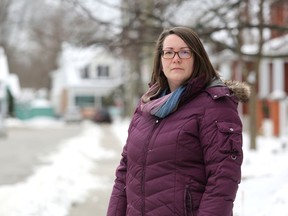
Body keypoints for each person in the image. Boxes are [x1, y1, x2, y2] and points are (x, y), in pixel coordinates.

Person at [107, 26, 250, 216]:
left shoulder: (215, 106)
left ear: (197, 58)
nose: (176, 58)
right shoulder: (146, 106)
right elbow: (125, 173)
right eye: (168, 52)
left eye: (184, 52)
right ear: (160, 60)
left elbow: (222, 179)